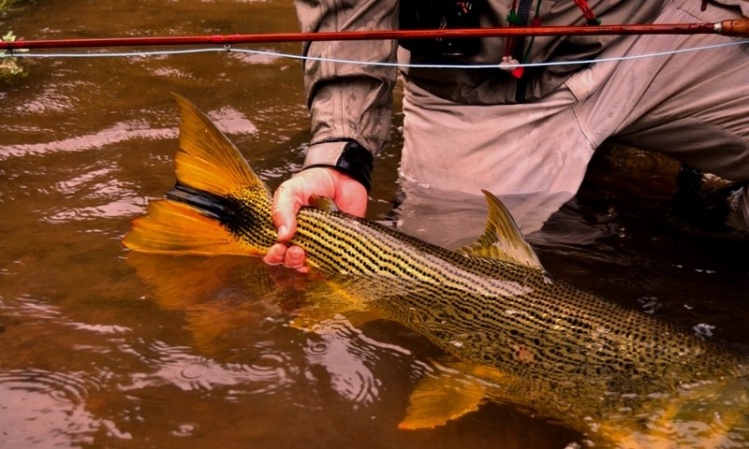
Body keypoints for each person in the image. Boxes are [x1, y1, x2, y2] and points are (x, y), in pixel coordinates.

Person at [263, 0, 749, 270]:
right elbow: (349, 11)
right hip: (476, 92)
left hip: (665, 29)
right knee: (436, 289)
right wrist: (341, 153)